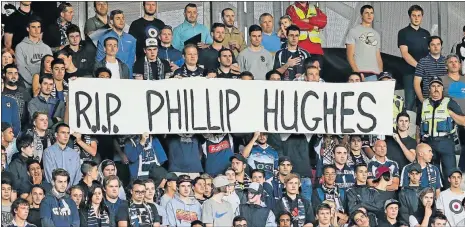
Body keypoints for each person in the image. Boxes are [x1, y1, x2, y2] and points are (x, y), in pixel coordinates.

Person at [418, 76, 465, 188]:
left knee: (450, 173)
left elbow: (463, 121)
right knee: (431, 174)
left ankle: (449, 198)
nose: (436, 88)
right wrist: (418, 145)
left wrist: (451, 113)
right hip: (429, 142)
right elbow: (418, 127)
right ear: (429, 89)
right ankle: (433, 200)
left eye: (438, 86)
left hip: (446, 142)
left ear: (442, 88)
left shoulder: (449, 102)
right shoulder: (423, 104)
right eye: (433, 86)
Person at [397, 5, 430, 111]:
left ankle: (423, 126)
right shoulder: (403, 32)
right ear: (410, 17)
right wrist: (419, 66)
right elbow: (405, 54)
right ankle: (409, 127)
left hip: (425, 73)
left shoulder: (426, 33)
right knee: (410, 101)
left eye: (419, 16)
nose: (416, 18)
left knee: (426, 100)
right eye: (414, 15)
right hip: (410, 72)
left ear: (422, 17)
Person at [346, 5, 383, 81]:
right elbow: (350, 55)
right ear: (361, 15)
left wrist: (381, 74)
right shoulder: (353, 31)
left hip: (374, 74)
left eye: (371, 13)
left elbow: (378, 56)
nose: (369, 15)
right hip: (360, 72)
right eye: (366, 13)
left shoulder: (376, 34)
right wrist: (357, 73)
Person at [96, 10, 137, 77]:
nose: (121, 21)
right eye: (118, 18)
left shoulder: (131, 39)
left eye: (123, 18)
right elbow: (99, 61)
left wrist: (129, 79)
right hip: (108, 77)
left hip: (126, 78)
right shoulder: (103, 38)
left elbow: (131, 62)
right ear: (111, 21)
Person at [414, 36, 447, 103]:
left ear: (441, 46)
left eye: (438, 44)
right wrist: (422, 100)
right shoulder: (422, 62)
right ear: (428, 47)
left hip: (444, 100)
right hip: (428, 100)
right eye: (433, 44)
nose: (436, 47)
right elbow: (416, 83)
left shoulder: (447, 61)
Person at [2, 64, 32, 128]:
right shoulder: (2, 91)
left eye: (16, 73)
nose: (13, 76)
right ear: (4, 75)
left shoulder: (24, 91)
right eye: (10, 73)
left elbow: (30, 112)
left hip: (22, 128)